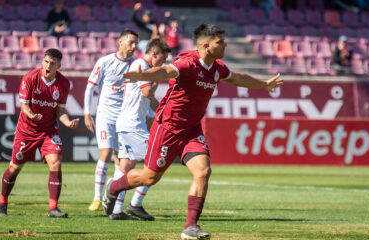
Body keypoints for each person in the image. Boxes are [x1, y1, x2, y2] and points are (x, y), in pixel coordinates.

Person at [103, 23, 283, 239]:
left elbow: (237, 77)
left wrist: (263, 85)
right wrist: (143, 76)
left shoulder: (217, 68)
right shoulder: (187, 63)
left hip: (192, 129)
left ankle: (190, 227)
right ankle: (113, 188)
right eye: (220, 41)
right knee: (150, 178)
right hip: (167, 128)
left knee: (203, 172)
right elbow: (166, 71)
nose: (224, 44)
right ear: (206, 45)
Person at [0, 48, 80, 218]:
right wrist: (31, 115)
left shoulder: (63, 84)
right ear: (42, 61)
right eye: (46, 62)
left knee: (55, 162)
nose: (48, 66)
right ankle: (2, 201)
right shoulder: (30, 78)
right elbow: (24, 106)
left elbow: (60, 110)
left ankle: (53, 208)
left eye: (52, 63)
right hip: (26, 131)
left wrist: (67, 122)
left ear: (59, 66)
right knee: (15, 167)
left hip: (49, 130)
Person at [107, 38, 172, 221]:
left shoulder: (143, 67)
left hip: (129, 124)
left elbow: (149, 98)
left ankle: (116, 210)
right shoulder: (140, 64)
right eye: (162, 59)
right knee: (157, 162)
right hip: (132, 125)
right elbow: (147, 92)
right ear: (154, 54)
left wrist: (163, 113)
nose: (163, 64)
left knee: (126, 166)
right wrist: (158, 77)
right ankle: (135, 204)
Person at [84, 30, 142, 218]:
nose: (134, 47)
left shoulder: (136, 65)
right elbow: (90, 87)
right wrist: (87, 113)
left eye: (136, 44)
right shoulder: (105, 62)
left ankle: (115, 204)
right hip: (105, 116)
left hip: (125, 119)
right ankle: (96, 197)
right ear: (121, 42)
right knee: (106, 153)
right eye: (131, 42)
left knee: (122, 161)